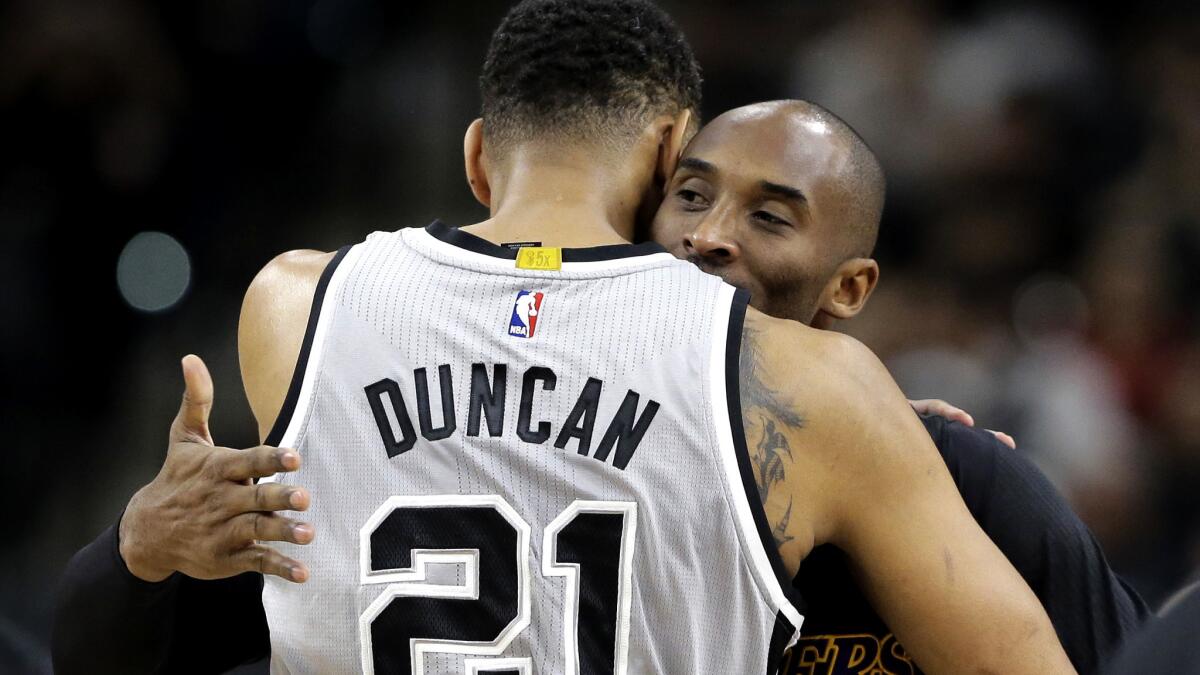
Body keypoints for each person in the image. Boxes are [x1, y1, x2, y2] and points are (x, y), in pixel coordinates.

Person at [54, 2, 1075, 673]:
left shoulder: (292, 305)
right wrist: (881, 437)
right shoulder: (810, 385)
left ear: (473, 156)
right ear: (674, 149)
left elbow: (518, 339)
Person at [649, 99, 1149, 675]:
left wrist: (861, 426)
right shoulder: (560, 444)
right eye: (690, 196)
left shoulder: (970, 480)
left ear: (849, 288)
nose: (706, 235)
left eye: (769, 217)